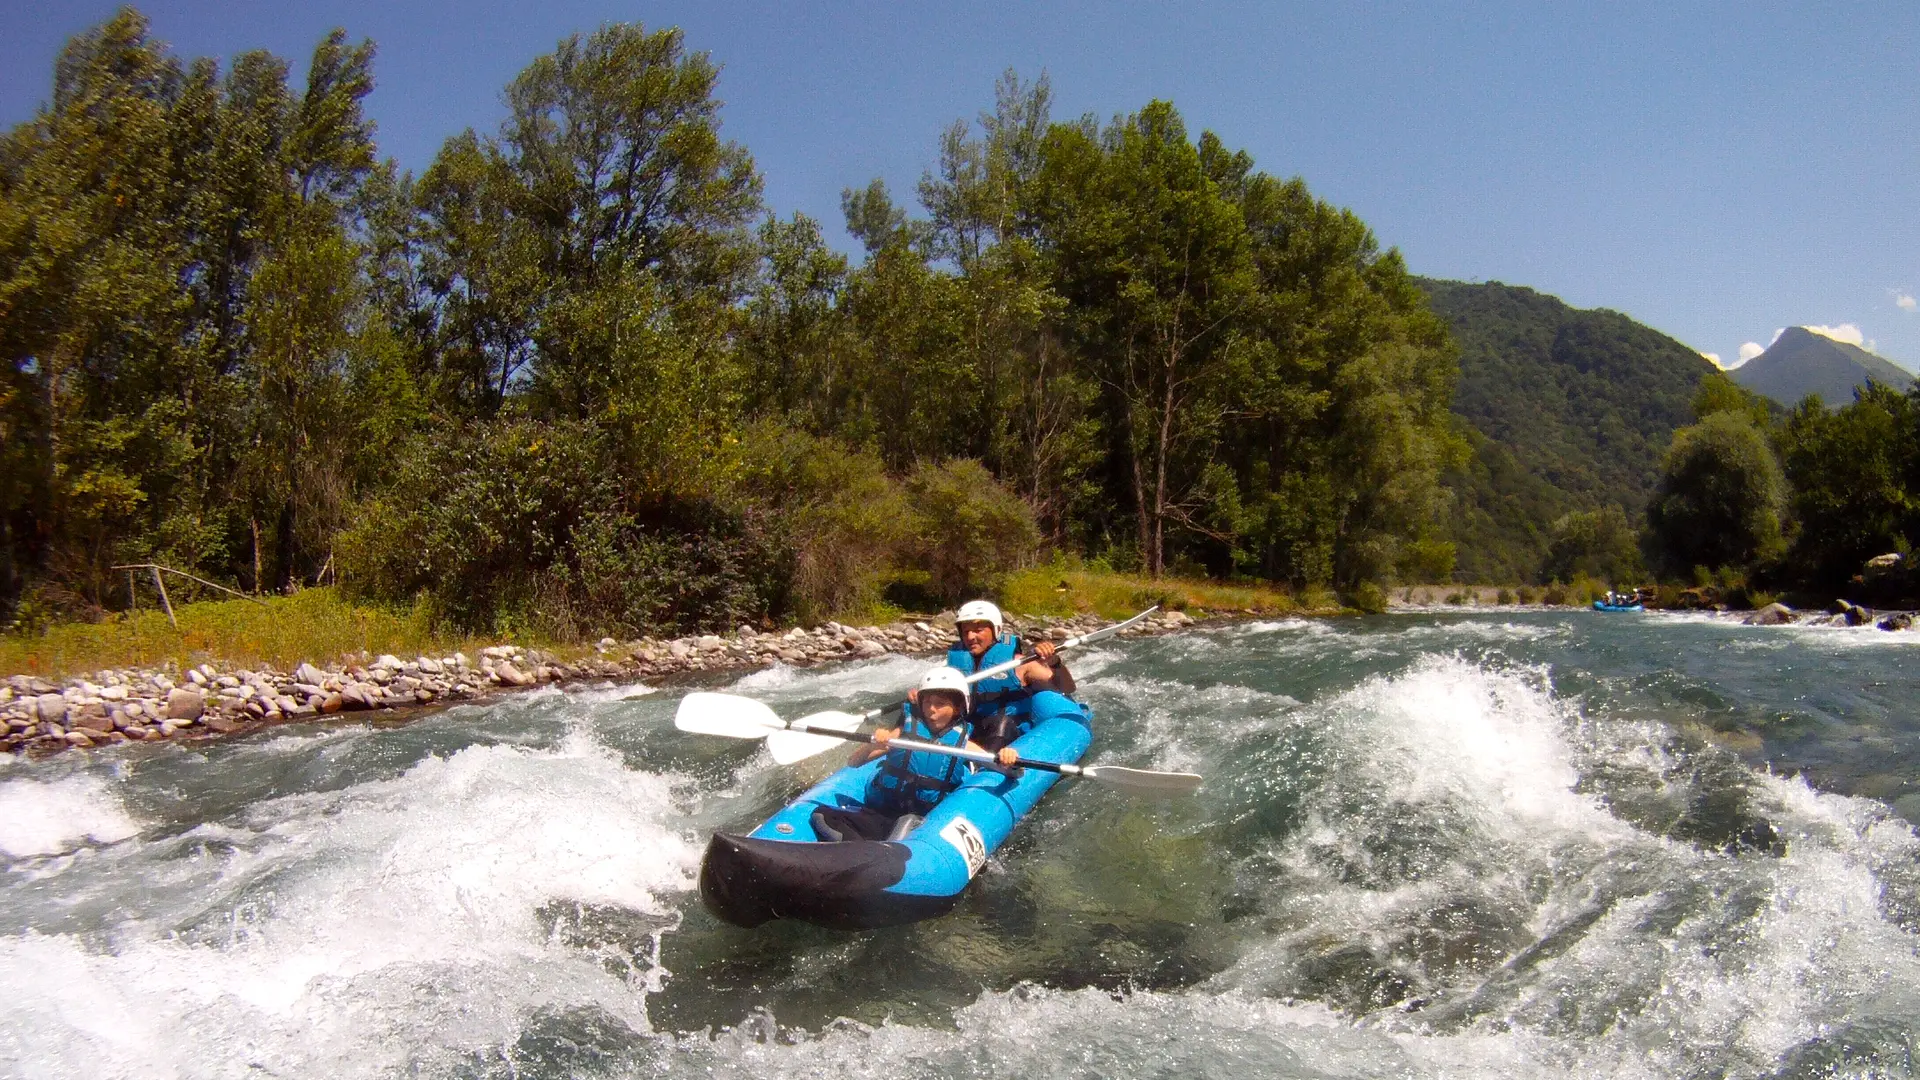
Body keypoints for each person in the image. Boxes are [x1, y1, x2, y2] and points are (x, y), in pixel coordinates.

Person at [811, 665, 1019, 842]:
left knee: (905, 825)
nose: (931, 709)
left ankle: (876, 852)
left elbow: (1007, 771)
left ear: (957, 709)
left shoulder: (961, 743)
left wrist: (1008, 759)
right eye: (927, 702)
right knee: (822, 815)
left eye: (940, 704)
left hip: (926, 821)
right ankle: (860, 854)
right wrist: (875, 741)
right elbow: (854, 762)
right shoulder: (902, 734)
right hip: (883, 812)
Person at [948, 599, 1073, 754]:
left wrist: (1054, 662)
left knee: (1001, 724)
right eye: (965, 631)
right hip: (971, 727)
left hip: (1009, 731)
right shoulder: (953, 665)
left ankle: (985, 769)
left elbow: (1067, 688)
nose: (970, 637)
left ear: (996, 630)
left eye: (978, 630)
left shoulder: (1019, 664)